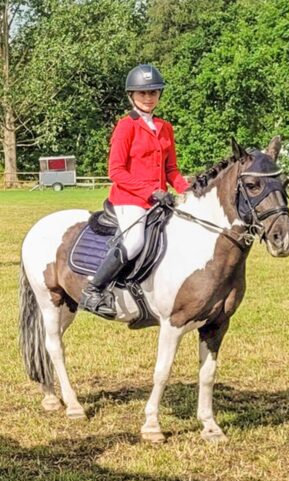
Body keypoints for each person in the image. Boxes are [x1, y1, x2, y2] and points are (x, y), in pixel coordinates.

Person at [80, 64, 189, 319]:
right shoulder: (125, 126)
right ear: (132, 96)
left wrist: (189, 189)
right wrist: (151, 191)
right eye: (143, 93)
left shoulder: (165, 127)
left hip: (159, 201)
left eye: (153, 92)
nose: (148, 98)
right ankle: (94, 289)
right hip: (130, 199)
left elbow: (171, 169)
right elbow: (115, 171)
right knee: (134, 240)